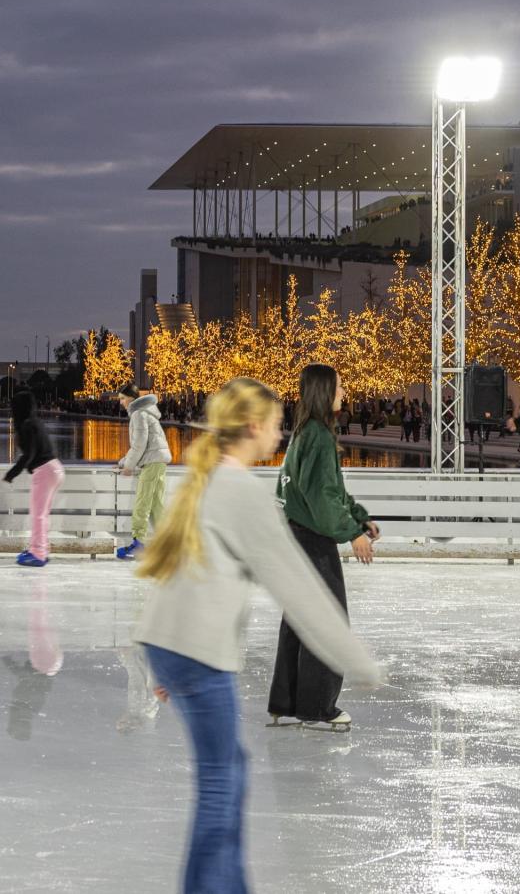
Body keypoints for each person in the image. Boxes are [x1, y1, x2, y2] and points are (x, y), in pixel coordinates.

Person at [132, 377, 381, 894]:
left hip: (178, 646)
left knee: (229, 773)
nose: (279, 434)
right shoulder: (239, 489)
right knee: (223, 783)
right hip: (196, 652)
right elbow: (302, 592)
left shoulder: (206, 478)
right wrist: (361, 663)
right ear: (251, 427)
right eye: (273, 425)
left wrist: (161, 659)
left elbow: (173, 567)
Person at [267, 363, 378, 732]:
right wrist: (352, 533)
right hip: (312, 542)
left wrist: (358, 518)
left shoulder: (306, 433)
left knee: (300, 620)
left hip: (297, 539)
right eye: (340, 388)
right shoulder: (316, 436)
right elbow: (323, 499)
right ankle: (316, 708)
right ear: (323, 392)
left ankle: (287, 702)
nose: (344, 394)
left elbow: (331, 491)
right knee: (327, 620)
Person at [3, 391, 64, 568]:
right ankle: (41, 549)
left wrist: (12, 474)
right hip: (55, 468)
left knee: (38, 514)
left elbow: (28, 454)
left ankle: (37, 553)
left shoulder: (27, 425)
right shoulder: (36, 422)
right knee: (43, 514)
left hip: (44, 471)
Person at [114, 383, 171, 561]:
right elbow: (141, 445)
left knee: (142, 504)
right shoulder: (146, 412)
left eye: (123, 398)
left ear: (131, 398)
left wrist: (128, 466)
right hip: (158, 462)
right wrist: (125, 462)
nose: (121, 402)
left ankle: (139, 544)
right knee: (156, 507)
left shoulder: (138, 414)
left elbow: (139, 444)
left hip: (152, 463)